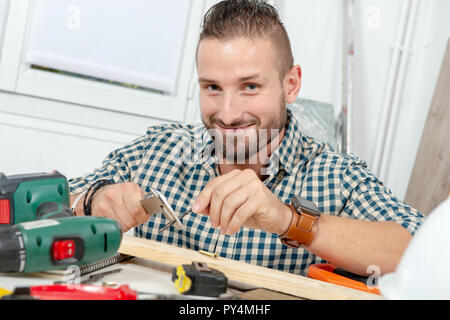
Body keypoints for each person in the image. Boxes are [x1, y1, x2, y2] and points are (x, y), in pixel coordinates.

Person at [69, 0, 424, 277]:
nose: (227, 113)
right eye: (212, 87)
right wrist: (90, 203)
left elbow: (428, 253)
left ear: (291, 84)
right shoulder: (157, 151)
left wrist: (288, 220)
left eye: (249, 87)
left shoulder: (336, 177)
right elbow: (44, 207)